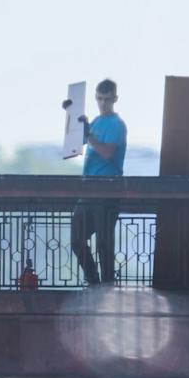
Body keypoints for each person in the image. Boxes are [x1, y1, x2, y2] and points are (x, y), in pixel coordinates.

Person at [66, 79, 126, 285]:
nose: (103, 103)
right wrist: (73, 116)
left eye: (107, 100)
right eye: (99, 99)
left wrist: (88, 134)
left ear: (115, 99)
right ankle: (93, 277)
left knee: (103, 243)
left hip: (108, 191)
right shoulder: (97, 123)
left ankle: (108, 284)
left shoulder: (117, 125)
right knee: (76, 239)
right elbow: (75, 142)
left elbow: (107, 152)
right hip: (89, 190)